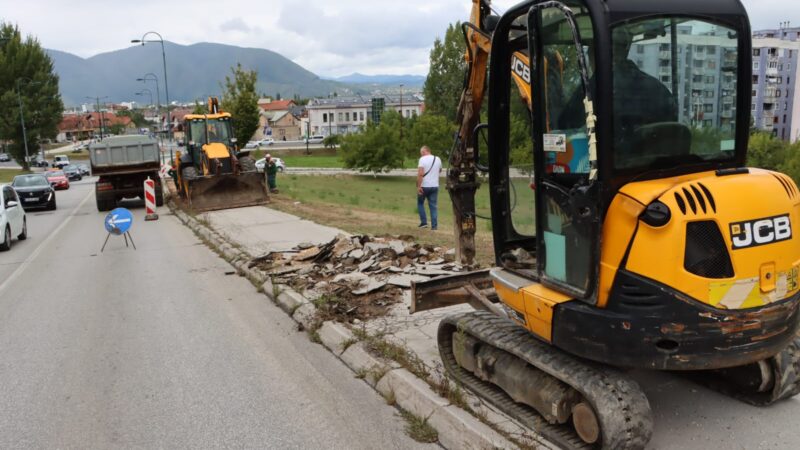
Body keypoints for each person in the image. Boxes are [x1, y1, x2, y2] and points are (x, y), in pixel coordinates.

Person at [416, 146, 442, 230]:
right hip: (434, 185)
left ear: (424, 152)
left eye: (421, 153)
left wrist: (419, 186)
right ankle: (434, 226)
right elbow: (440, 170)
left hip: (424, 186)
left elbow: (420, 174)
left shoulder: (422, 160)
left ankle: (424, 222)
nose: (421, 155)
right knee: (433, 206)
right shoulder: (437, 159)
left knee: (420, 203)